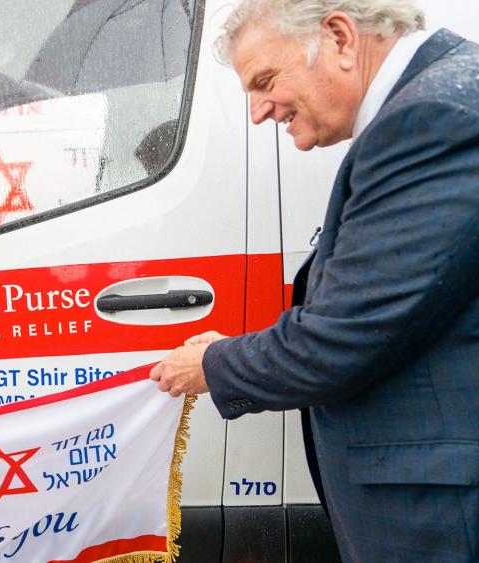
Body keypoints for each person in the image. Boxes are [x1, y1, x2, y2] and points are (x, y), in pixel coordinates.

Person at [149, 1, 479, 561]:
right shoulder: (432, 102)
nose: (257, 111)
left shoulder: (430, 120)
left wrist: (212, 365)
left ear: (340, 37)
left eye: (264, 81)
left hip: (442, 518)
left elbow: (346, 336)